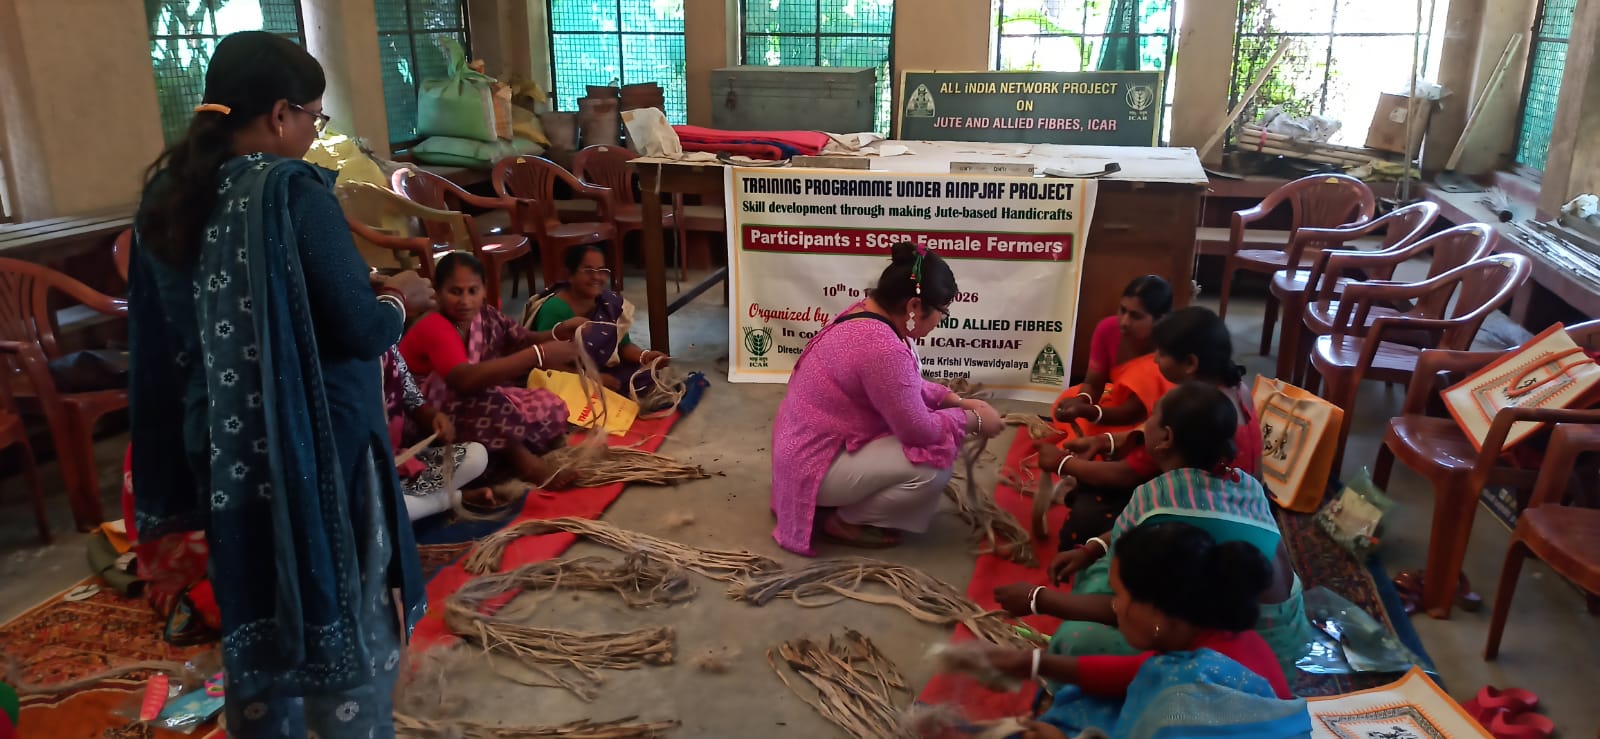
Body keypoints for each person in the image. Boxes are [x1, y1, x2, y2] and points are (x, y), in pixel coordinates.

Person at [128, 32, 435, 737]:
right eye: (313, 118)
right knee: (348, 595)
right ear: (278, 114)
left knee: (254, 596)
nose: (312, 134)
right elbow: (359, 328)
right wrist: (401, 300)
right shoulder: (291, 193)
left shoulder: (168, 199)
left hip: (224, 449)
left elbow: (165, 337)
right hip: (320, 444)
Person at [996, 383, 1313, 679]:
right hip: (1287, 639)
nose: (1143, 425)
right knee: (1102, 565)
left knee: (1076, 639)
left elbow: (1137, 614)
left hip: (1236, 666)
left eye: (1151, 419)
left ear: (1166, 438)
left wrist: (1038, 599)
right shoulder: (1244, 483)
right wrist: (1093, 548)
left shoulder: (1157, 502)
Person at [974, 521, 1309, 739]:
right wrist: (1034, 663)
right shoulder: (1221, 635)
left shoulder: (1184, 708)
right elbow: (1135, 671)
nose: (1115, 607)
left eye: (1120, 596)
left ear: (1159, 614)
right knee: (1085, 698)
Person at [771, 242, 1004, 553]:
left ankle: (844, 499)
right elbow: (918, 431)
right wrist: (973, 420)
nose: (940, 321)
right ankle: (847, 520)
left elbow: (901, 386)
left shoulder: (868, 314)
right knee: (932, 464)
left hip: (803, 453)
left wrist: (954, 401)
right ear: (914, 306)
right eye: (943, 312)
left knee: (936, 439)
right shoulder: (881, 347)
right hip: (815, 465)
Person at [1034, 306, 1262, 546]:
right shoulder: (1236, 388)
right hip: (1243, 504)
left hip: (1209, 524)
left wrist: (1062, 463)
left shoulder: (1197, 411)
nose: (1154, 359)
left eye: (1162, 353)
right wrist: (1103, 441)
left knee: (1086, 519)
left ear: (1190, 363)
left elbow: (1127, 474)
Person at [399, 252, 579, 489]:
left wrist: (559, 332)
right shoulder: (434, 325)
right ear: (438, 292)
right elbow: (463, 380)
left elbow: (523, 340)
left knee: (550, 405)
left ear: (484, 290)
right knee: (480, 394)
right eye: (455, 291)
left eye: (472, 291)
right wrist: (539, 354)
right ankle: (527, 465)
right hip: (427, 418)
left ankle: (498, 459)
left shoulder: (486, 316)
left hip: (473, 406)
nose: (465, 301)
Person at [522, 244, 669, 396]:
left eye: (601, 270)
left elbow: (623, 346)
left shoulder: (608, 303)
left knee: (651, 378)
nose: (596, 277)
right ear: (569, 274)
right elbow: (545, 363)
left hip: (601, 369)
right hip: (566, 376)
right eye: (588, 270)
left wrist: (645, 356)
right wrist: (592, 378)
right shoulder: (555, 309)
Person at [1048, 275, 1172, 440]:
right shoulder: (1107, 329)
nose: (1124, 322)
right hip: (1116, 404)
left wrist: (1088, 412)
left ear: (1160, 320)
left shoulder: (1168, 349)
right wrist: (1082, 400)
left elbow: (1133, 413)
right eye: (1123, 310)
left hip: (1149, 419)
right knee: (1068, 398)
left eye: (1136, 316)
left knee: (1129, 439)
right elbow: (1093, 384)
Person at [381, 347, 494, 519]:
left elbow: (415, 401)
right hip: (365, 478)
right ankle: (454, 498)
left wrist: (434, 418)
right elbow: (464, 377)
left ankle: (421, 504)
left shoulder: (388, 349)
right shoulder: (341, 364)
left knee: (477, 456)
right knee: (378, 512)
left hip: (399, 462)